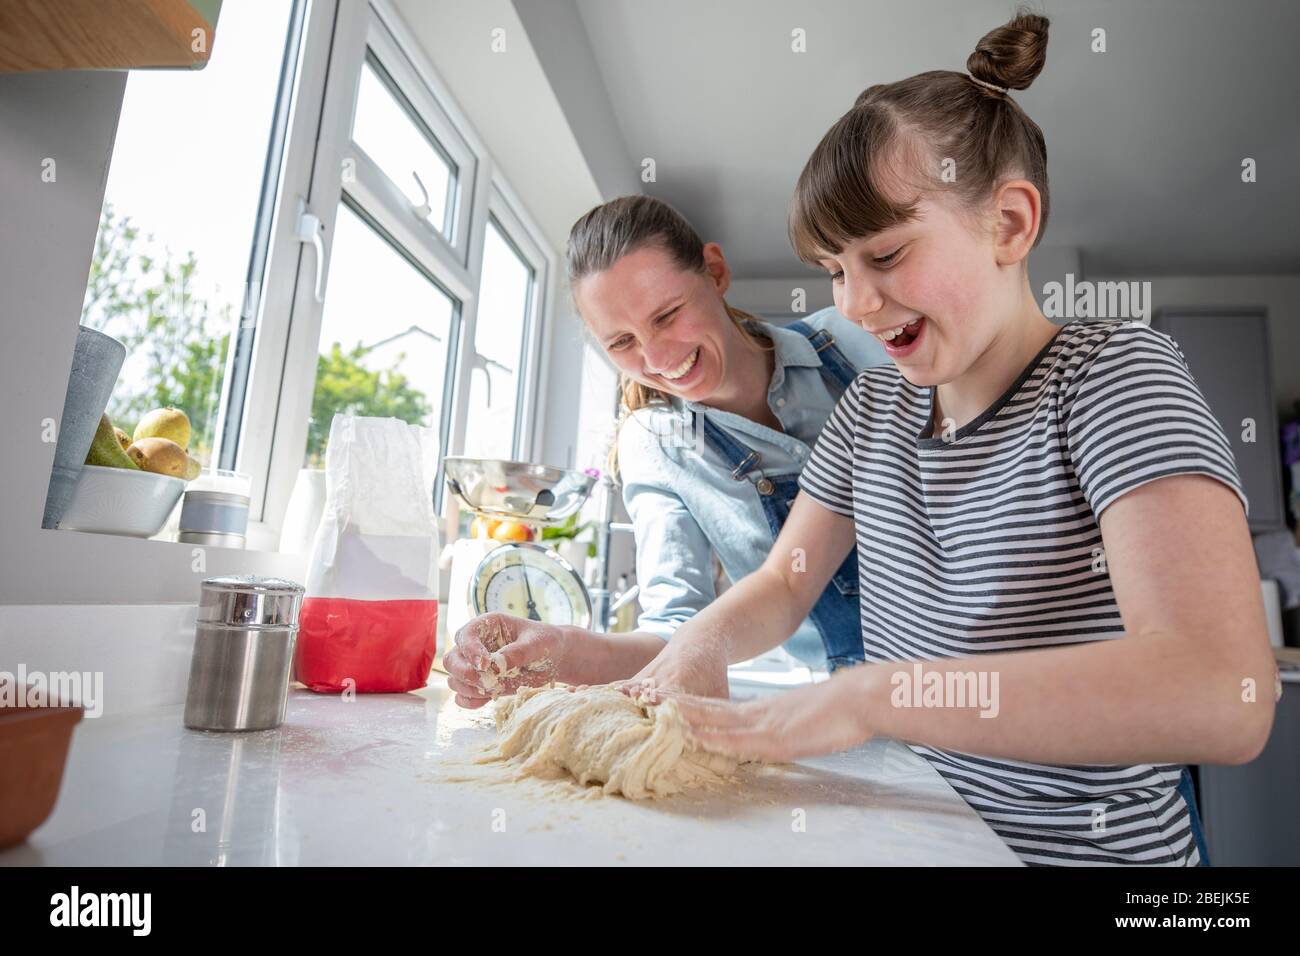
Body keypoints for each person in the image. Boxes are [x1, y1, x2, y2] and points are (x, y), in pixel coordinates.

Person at [617, 12, 1277, 866]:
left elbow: (1224, 693)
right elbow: (785, 582)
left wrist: (877, 697)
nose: (853, 303)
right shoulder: (872, 411)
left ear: (1009, 224)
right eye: (835, 270)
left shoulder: (1112, 379)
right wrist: (697, 648)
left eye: (886, 255)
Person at [443, 195, 888, 707]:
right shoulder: (655, 444)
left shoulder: (861, 337)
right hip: (861, 702)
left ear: (715, 272)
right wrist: (558, 650)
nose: (656, 358)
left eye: (668, 315)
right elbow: (676, 630)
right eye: (621, 342)